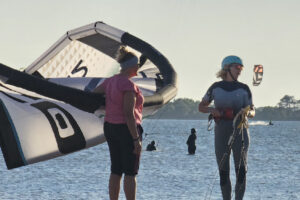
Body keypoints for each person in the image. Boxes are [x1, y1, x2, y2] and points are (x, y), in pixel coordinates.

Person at [198, 55, 255, 200]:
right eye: (237, 67)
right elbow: (201, 106)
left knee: (241, 171)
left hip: (240, 132)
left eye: (241, 67)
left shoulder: (244, 88)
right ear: (227, 68)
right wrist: (213, 110)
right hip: (221, 132)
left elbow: (253, 111)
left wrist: (247, 111)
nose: (240, 70)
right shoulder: (215, 87)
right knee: (223, 173)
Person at [93, 46, 144, 200]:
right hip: (126, 130)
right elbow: (128, 113)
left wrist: (108, 102)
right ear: (133, 67)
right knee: (130, 172)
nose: (138, 68)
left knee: (116, 169)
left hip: (110, 127)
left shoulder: (110, 81)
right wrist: (136, 139)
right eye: (138, 66)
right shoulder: (129, 86)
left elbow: (94, 92)